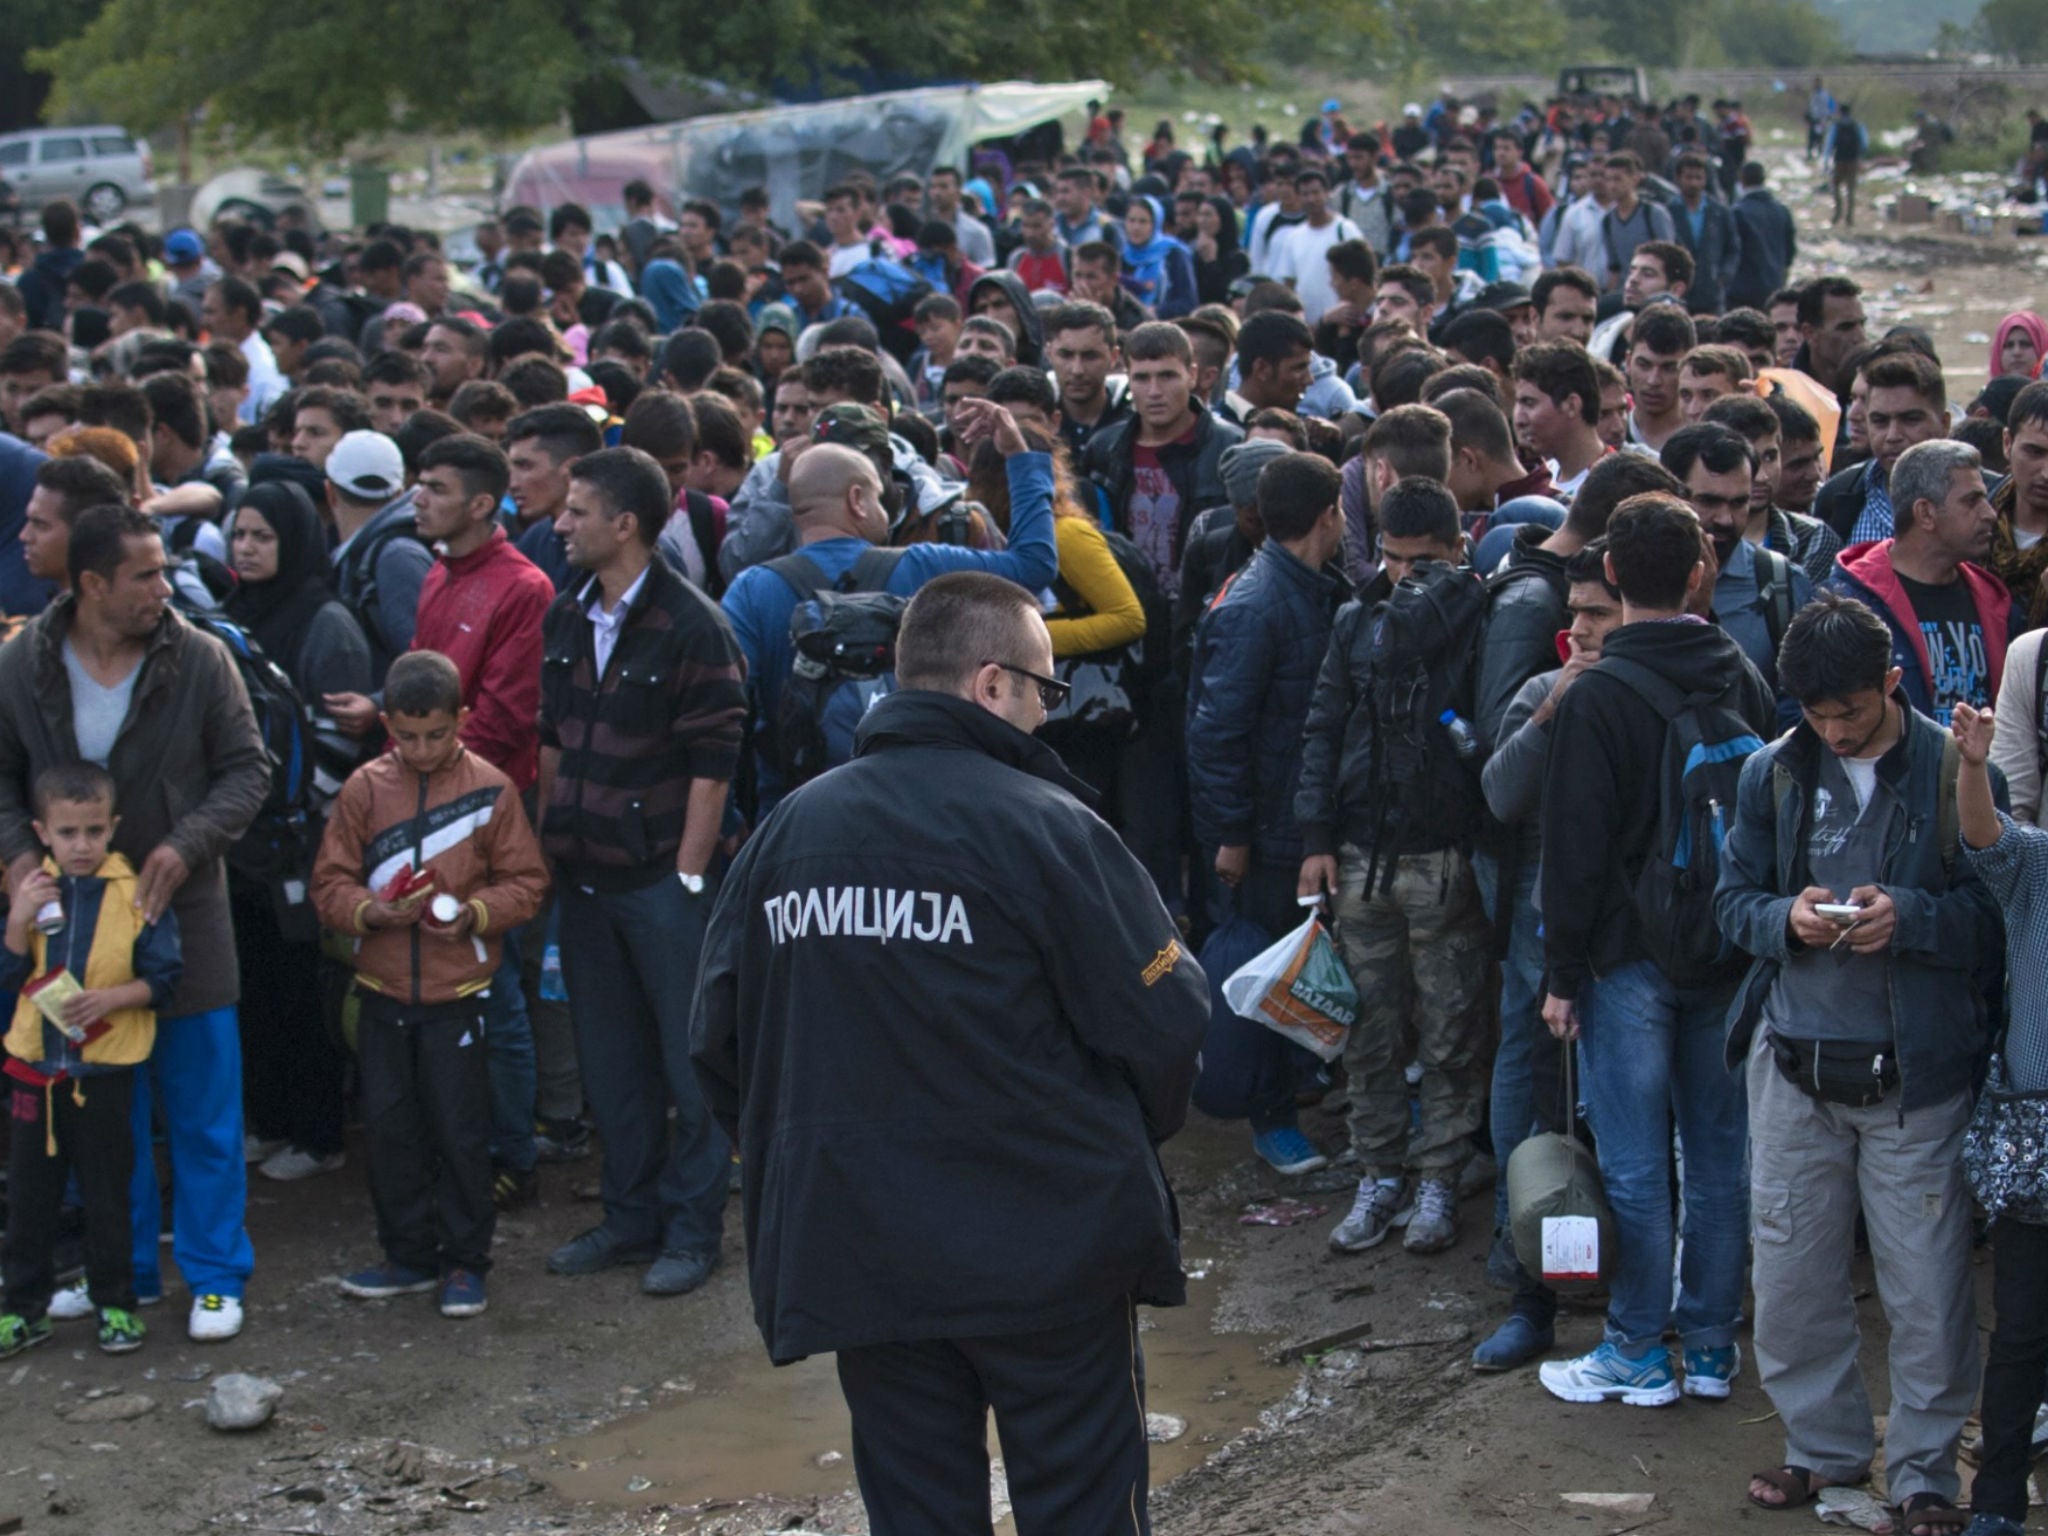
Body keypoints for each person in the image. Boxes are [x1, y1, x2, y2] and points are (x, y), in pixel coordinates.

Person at [692, 570, 1208, 1536]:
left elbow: (719, 1041)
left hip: (860, 1250)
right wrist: (1115, 1145)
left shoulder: (789, 835)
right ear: (991, 685)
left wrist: (817, 1158)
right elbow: (1170, 1021)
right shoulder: (1049, 826)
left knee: (918, 1514)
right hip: (1046, 1249)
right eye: (1046, 692)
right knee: (1084, 1507)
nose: (1049, 718)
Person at [1717, 596, 1998, 1536]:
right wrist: (1783, 920)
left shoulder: (1957, 772)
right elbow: (1733, 901)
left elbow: (1997, 915)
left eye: (1851, 713)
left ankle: (1922, 1472)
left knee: (1928, 1288)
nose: (1834, 731)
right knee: (1792, 1281)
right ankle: (1823, 1450)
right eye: (1816, 715)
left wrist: (1907, 919)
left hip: (1915, 1077)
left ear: (1891, 684)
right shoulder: (1774, 772)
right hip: (1794, 1066)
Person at [0, 504, 269, 1343]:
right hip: (71, 939)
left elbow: (247, 770)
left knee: (204, 1114)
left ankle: (217, 1277)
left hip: (180, 922)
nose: (165, 587)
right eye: (145, 575)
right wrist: (18, 864)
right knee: (106, 1122)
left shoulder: (200, 658)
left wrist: (184, 848)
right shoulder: (22, 664)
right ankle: (128, 1276)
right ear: (91, 586)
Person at [1538, 492, 1771, 1408]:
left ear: (1612, 584)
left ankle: (1636, 1349)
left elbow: (1574, 851)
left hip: (1626, 961)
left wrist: (1561, 976)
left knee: (1636, 1165)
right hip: (1725, 946)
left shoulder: (1596, 695)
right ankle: (1710, 1347)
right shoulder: (1741, 673)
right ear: (1700, 574)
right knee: (1719, 1159)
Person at [539, 446, 746, 1299]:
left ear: (625, 524)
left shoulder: (694, 626)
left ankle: (693, 1232)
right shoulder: (565, 616)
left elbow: (715, 761)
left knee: (687, 1065)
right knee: (611, 1064)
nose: (558, 524)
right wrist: (547, 848)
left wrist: (689, 878)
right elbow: (552, 738)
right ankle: (629, 1221)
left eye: (575, 511)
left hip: (664, 882)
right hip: (584, 880)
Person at [315, 650, 547, 1321]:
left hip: (460, 998)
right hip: (383, 992)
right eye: (406, 736)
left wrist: (475, 914)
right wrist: (371, 912)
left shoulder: (492, 790)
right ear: (387, 724)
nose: (420, 750)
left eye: (436, 735)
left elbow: (527, 884)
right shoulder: (363, 789)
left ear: (462, 720)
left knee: (461, 1131)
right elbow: (329, 883)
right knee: (390, 1130)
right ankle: (410, 1256)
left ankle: (467, 1262)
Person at [1298, 477, 1494, 1258]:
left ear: (1455, 550)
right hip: (1360, 855)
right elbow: (1322, 726)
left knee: (1450, 1033)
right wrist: (1315, 836)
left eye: (1421, 562)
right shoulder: (1356, 621)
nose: (1404, 576)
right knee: (1368, 1032)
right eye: (1391, 559)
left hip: (1443, 855)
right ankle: (1379, 1173)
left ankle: (1440, 1176)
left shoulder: (1482, 616)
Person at [1470, 539, 1627, 1371]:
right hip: (1545, 951)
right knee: (1544, 1127)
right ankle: (1533, 1291)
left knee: (1638, 1136)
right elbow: (1499, 793)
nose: (1580, 629)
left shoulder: (1656, 691)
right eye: (1573, 614)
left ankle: (1640, 1307)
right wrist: (1549, 711)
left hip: (1635, 954)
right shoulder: (1545, 689)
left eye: (1598, 613)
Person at [1186, 452, 1348, 1174]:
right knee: (1266, 975)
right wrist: (1231, 835)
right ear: (1330, 515)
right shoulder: (1254, 605)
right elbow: (1217, 731)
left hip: (1302, 822)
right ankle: (1270, 1116)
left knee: (1306, 969)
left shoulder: (1316, 589)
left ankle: (1306, 1086)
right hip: (1265, 834)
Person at [404, 434, 554, 1210]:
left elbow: (506, 717)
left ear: (482, 504)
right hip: (425, 803)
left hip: (492, 811)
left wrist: (426, 768)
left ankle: (512, 1155)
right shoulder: (437, 571)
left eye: (433, 485)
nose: (419, 496)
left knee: (494, 983)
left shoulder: (523, 588)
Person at [0, 762, 181, 1359]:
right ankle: (23, 1311)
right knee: (29, 1199)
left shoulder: (136, 894)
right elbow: (8, 977)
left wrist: (112, 998)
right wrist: (18, 921)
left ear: (114, 828)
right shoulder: (30, 891)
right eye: (68, 833)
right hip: (35, 1072)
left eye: (94, 832)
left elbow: (164, 978)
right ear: (41, 831)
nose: (82, 846)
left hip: (104, 1071)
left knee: (109, 1194)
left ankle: (117, 1306)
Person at [223, 481, 370, 1185]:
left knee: (300, 993)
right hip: (241, 847)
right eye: (238, 534)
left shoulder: (325, 622)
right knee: (251, 986)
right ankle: (270, 1118)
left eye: (261, 536)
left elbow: (343, 745)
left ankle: (317, 1131)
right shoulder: (230, 616)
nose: (245, 549)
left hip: (302, 843)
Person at [1950, 701, 2048, 1536]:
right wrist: (1974, 767)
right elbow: (1985, 840)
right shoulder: (2037, 869)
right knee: (2020, 1334)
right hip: (2036, 1154)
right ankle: (1996, 1505)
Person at [1827, 439, 2019, 727]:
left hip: (1979, 770)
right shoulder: (1849, 605)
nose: (1990, 514)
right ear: (1925, 513)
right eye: (1972, 501)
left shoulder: (1997, 603)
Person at [1661, 422, 1811, 687]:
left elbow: (1797, 706)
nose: (1726, 519)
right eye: (1709, 501)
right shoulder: (1629, 573)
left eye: (1740, 503)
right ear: (1669, 494)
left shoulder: (1781, 585)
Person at [1814, 352, 1949, 546]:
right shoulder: (1837, 496)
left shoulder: (1986, 496)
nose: (1893, 436)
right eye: (1880, 421)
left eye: (1910, 419)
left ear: (1944, 424)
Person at [1667, 153, 1741, 315]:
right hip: (1679, 294)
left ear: (1705, 180)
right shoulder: (1668, 211)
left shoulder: (1719, 211)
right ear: (1679, 178)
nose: (1693, 183)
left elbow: (1733, 248)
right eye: (1689, 177)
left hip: (1712, 293)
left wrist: (1723, 276)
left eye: (1698, 178)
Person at [1729, 163, 1797, 313]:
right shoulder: (1781, 210)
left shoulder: (1737, 212)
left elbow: (1731, 251)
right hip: (1774, 285)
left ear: (1742, 180)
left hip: (1742, 290)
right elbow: (1790, 251)